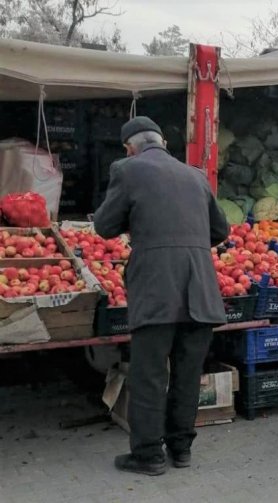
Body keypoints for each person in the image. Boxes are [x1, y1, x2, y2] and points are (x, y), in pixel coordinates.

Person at [94, 116, 229, 475]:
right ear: (164, 142)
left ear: (129, 147)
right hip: (200, 288)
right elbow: (221, 230)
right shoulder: (196, 176)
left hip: (156, 288)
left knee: (149, 375)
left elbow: (104, 226)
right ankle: (181, 449)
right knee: (188, 373)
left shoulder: (127, 169)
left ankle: (149, 456)